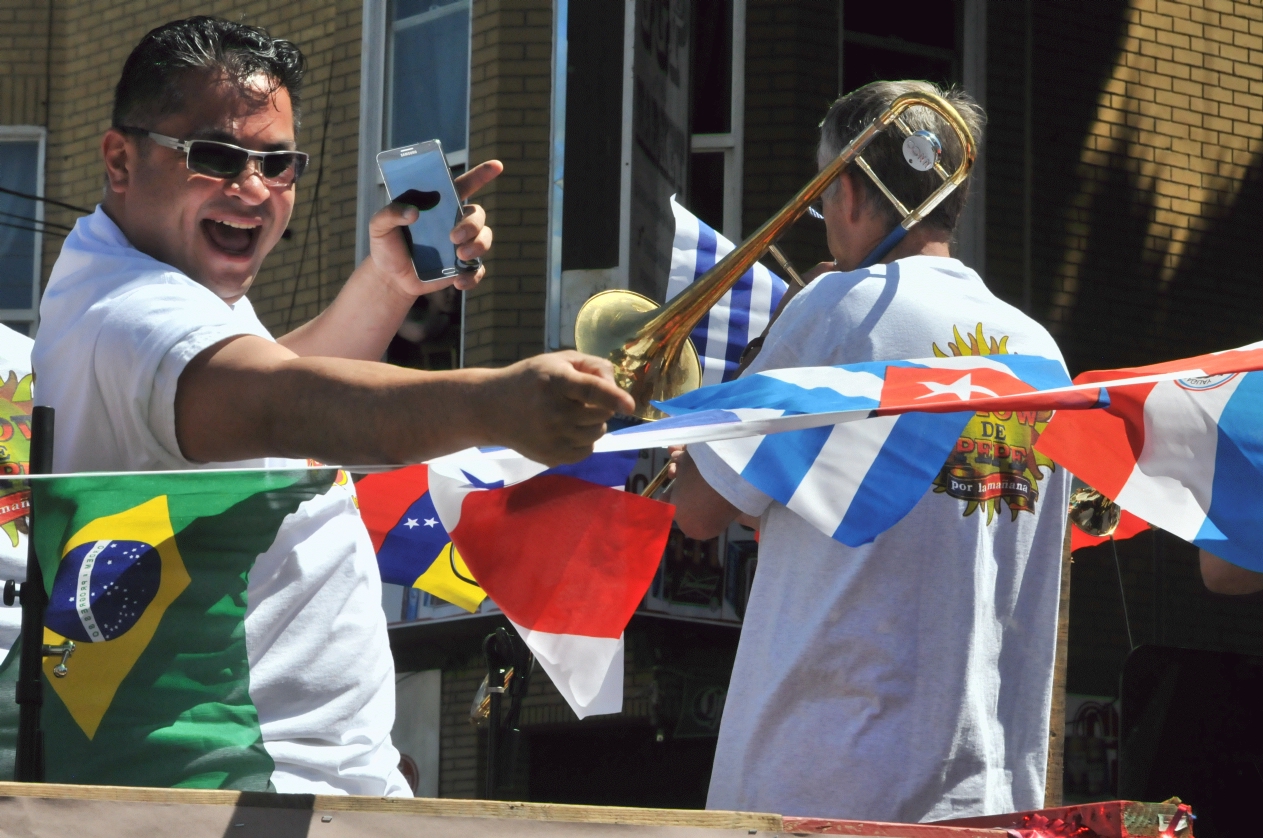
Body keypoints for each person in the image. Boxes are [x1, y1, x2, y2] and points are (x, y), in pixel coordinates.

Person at [32, 17, 632, 795]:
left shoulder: (148, 284)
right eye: (215, 157)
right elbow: (286, 404)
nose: (253, 189)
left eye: (277, 163)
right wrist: (496, 399)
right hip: (233, 789)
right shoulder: (129, 313)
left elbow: (270, 397)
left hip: (271, 783)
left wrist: (388, 284)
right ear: (121, 159)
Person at [669, 81, 1071, 823]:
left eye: (824, 200)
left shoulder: (833, 310)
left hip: (821, 782)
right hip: (988, 796)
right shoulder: (1040, 355)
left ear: (848, 192)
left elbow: (695, 507)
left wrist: (778, 332)